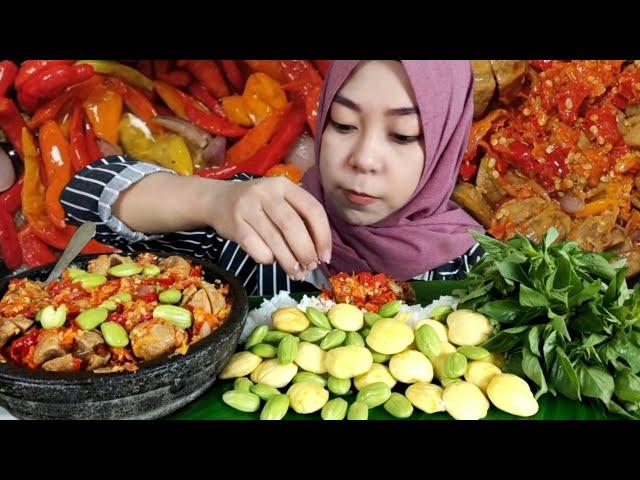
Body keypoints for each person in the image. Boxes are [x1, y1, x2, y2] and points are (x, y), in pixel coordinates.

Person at [60, 60, 484, 296]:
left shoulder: (483, 269)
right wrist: (214, 201)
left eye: (403, 135)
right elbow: (82, 195)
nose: (364, 159)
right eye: (343, 124)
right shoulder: (258, 224)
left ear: (447, 143)